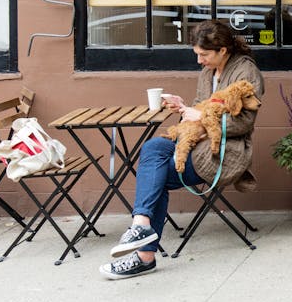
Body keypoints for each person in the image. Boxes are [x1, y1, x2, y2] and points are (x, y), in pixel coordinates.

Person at [100, 20, 265, 279]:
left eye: (204, 55)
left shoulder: (245, 72)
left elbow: (243, 122)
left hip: (223, 151)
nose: (199, 61)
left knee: (157, 177)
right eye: (197, 54)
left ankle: (144, 254)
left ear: (223, 50)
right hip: (197, 141)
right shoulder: (208, 73)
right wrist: (184, 108)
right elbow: (201, 108)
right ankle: (141, 225)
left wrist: (196, 115)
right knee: (153, 146)